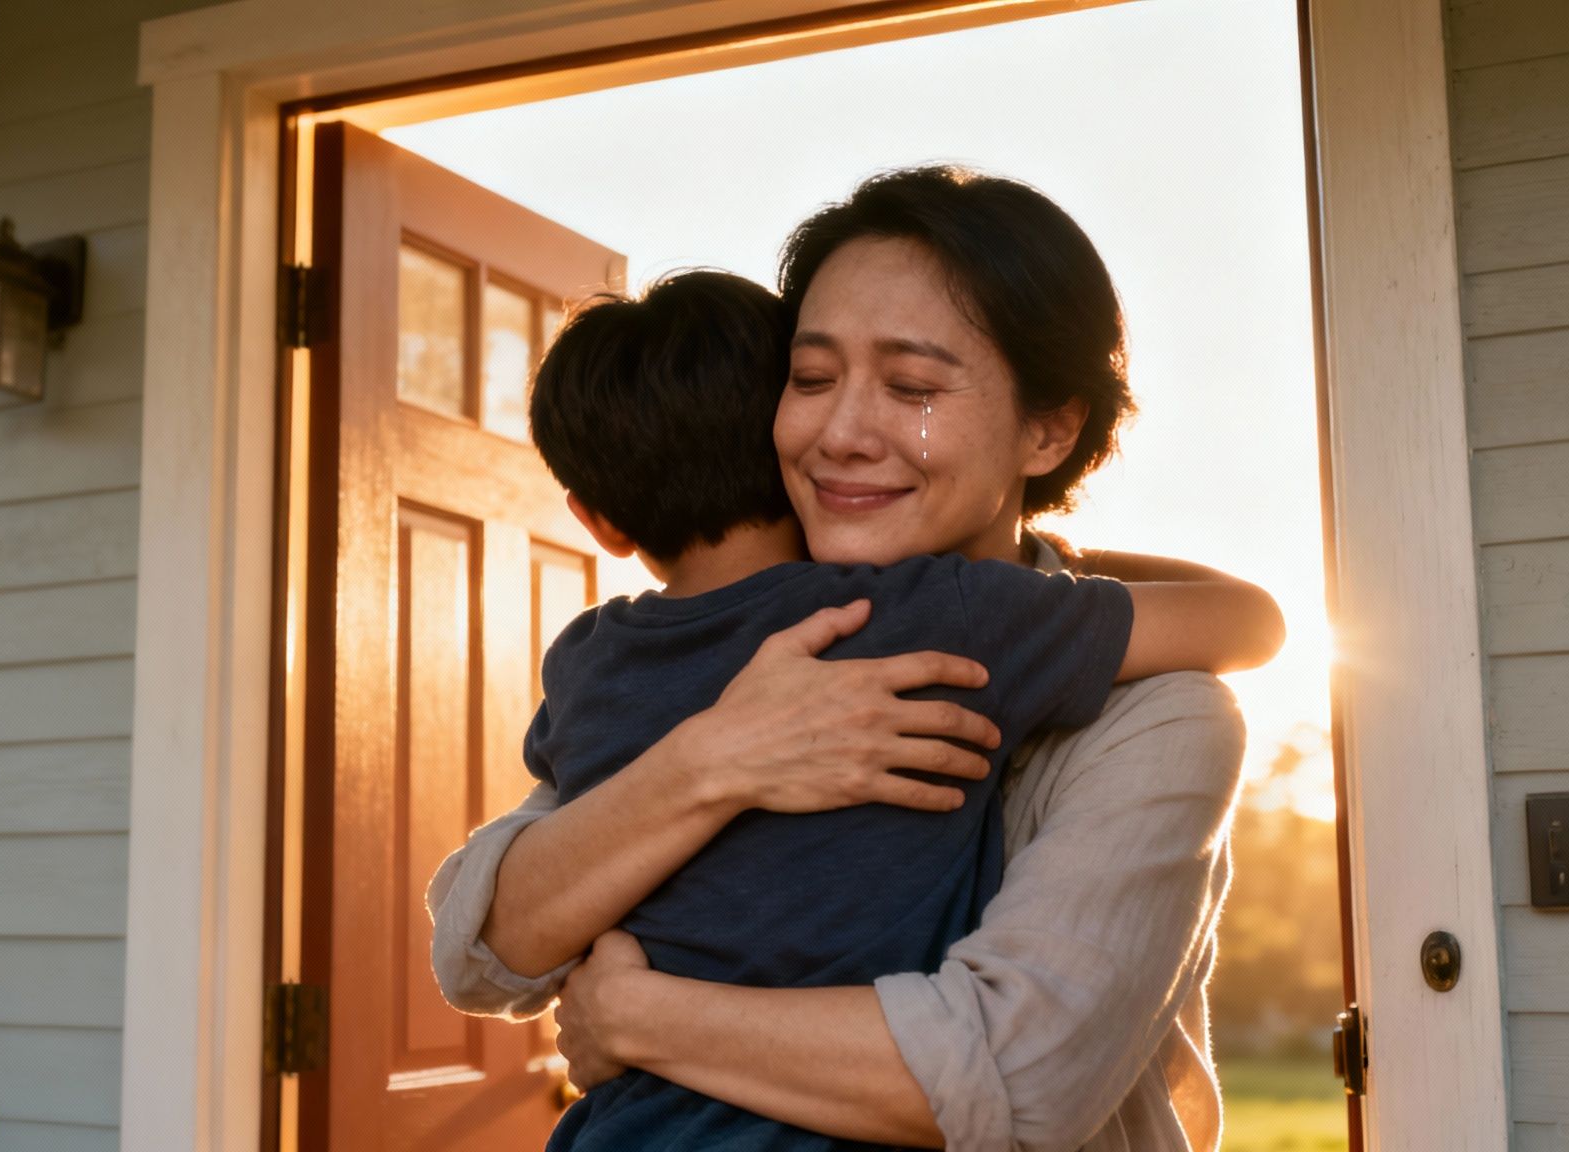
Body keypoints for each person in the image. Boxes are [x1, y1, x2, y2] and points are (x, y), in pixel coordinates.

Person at [428, 165, 1255, 1151]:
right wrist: (719, 756)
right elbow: (485, 948)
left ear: (1047, 426)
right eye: (811, 379)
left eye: (909, 387)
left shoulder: (1158, 715)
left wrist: (640, 1019)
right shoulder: (738, 648)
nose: (840, 433)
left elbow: (1022, 1080)